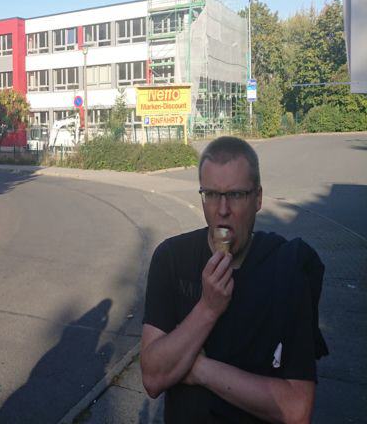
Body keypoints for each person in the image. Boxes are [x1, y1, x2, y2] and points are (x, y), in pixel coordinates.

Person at [140, 136, 328, 423]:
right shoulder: (172, 258)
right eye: (211, 194)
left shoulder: (286, 268)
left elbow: (296, 409)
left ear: (258, 199)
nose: (222, 209)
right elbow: (152, 378)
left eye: (236, 195)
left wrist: (200, 369)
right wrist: (208, 308)